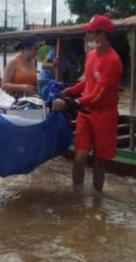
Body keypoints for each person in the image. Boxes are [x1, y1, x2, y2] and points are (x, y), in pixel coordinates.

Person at [52, 14, 123, 192]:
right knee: (80, 157)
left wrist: (69, 102)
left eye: (90, 33)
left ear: (101, 35)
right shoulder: (91, 55)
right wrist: (71, 90)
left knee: (99, 161)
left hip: (104, 115)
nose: (88, 37)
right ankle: (77, 197)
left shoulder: (113, 62)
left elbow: (98, 95)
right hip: (85, 112)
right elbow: (87, 82)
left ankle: (97, 200)